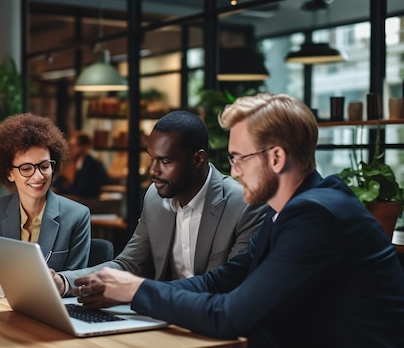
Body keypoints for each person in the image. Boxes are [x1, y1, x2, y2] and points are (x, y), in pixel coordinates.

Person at [71, 94, 404, 347]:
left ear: (276, 158)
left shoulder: (315, 216)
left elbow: (230, 316)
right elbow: (221, 281)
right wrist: (134, 290)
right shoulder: (288, 210)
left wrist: (138, 290)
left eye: (238, 158)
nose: (233, 171)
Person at [52, 110, 266, 302]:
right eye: (152, 159)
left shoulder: (244, 204)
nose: (153, 171)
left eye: (165, 162)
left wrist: (135, 293)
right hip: (160, 319)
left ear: (198, 159)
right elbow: (129, 265)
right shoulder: (155, 197)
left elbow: (224, 287)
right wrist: (64, 282)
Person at [0, 113, 91, 287]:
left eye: (44, 166)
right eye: (26, 168)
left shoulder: (76, 215)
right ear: (9, 173)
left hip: (52, 308)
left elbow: (77, 279)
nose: (38, 176)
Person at [53, 131, 109, 197]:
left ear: (84, 147)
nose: (70, 149)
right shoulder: (75, 163)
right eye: (69, 145)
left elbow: (82, 190)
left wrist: (61, 190)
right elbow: (57, 183)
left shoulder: (92, 165)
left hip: (90, 202)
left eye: (74, 145)